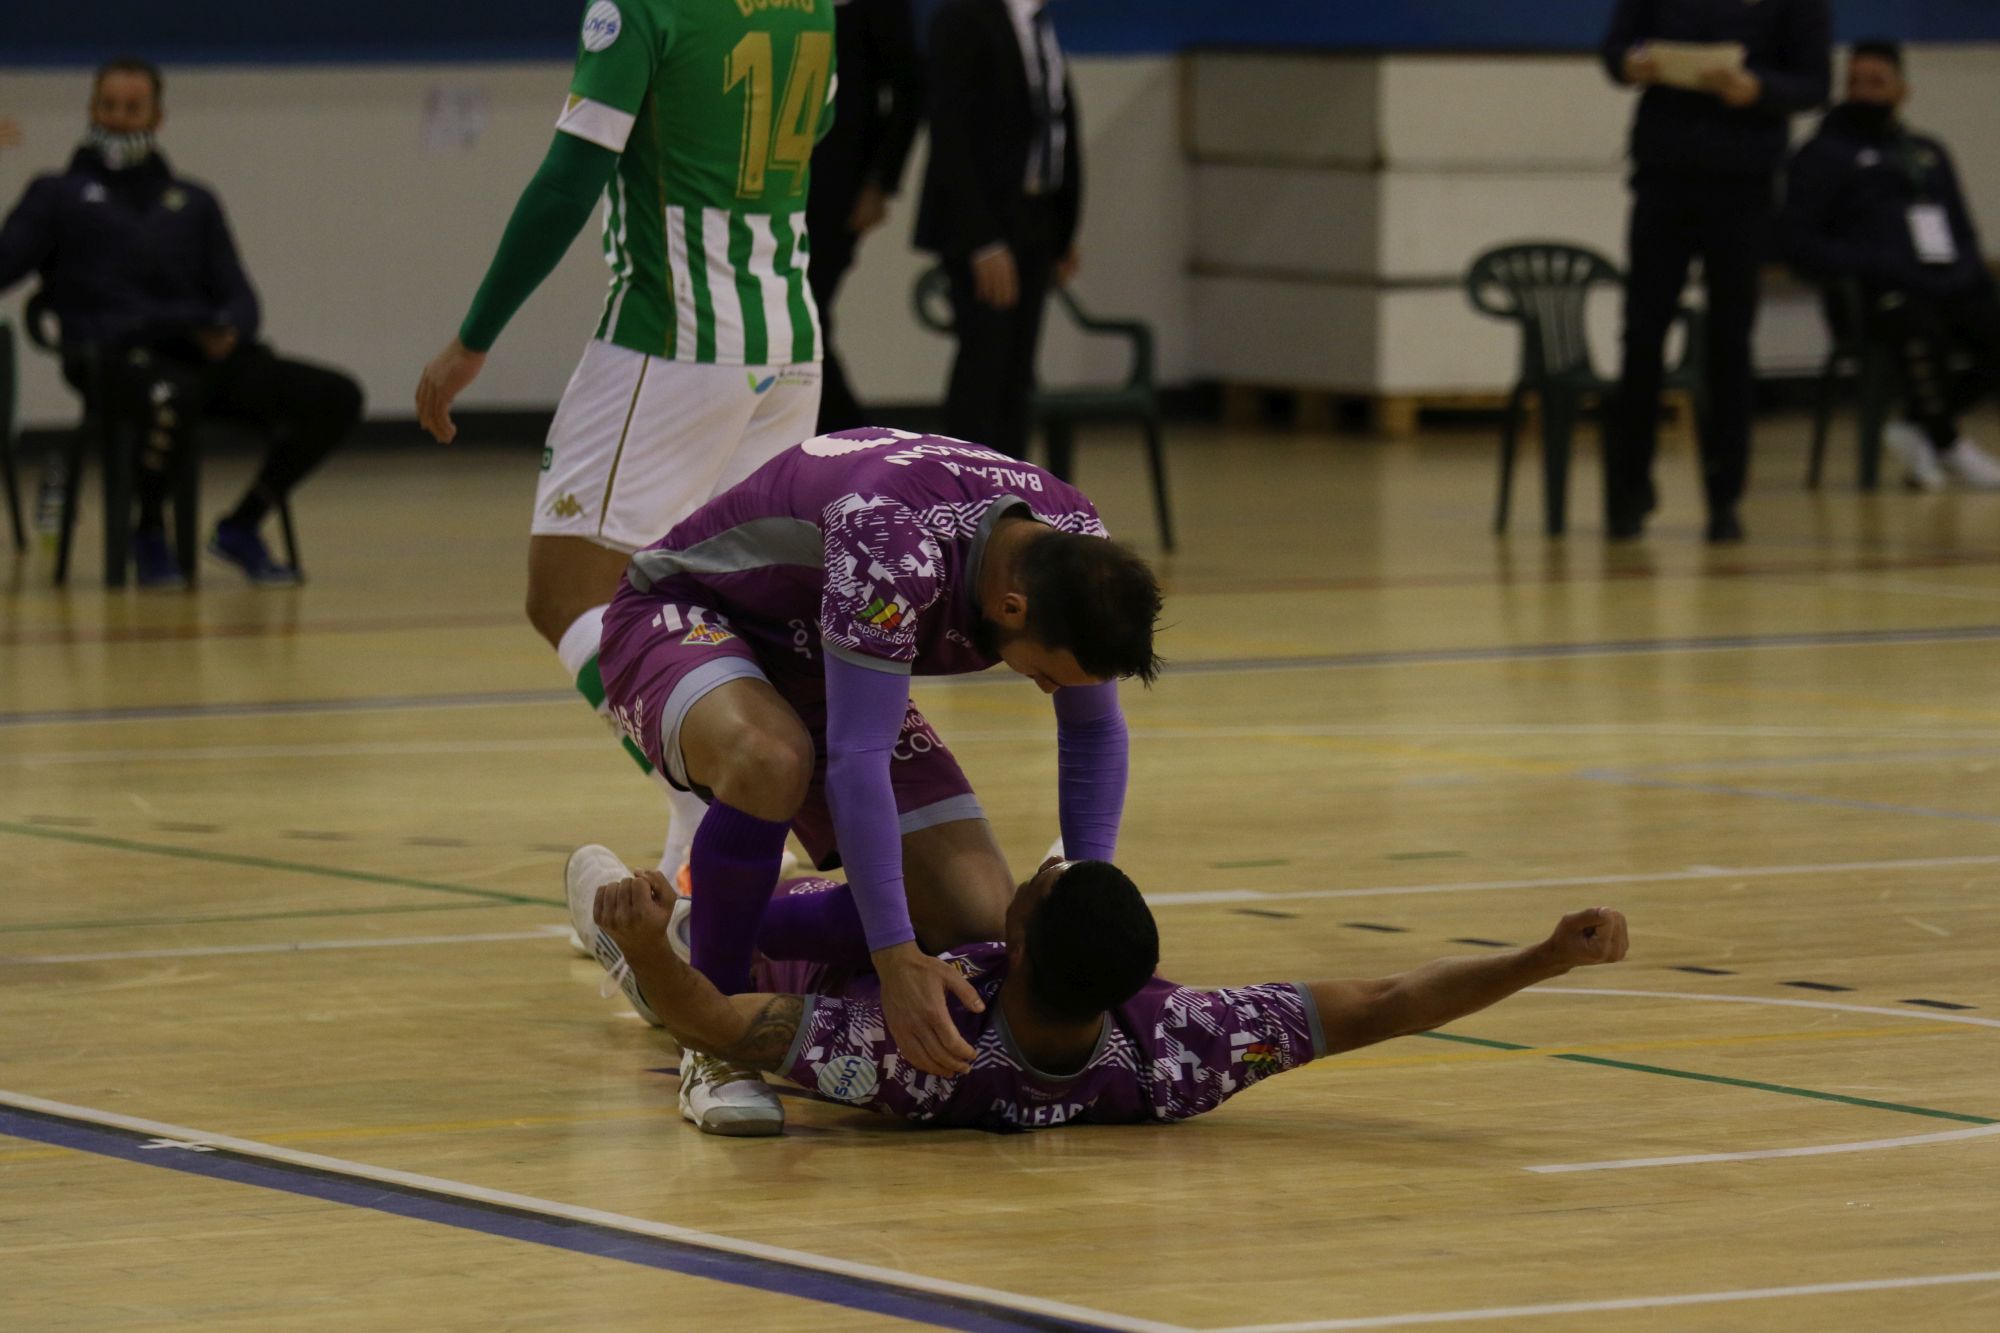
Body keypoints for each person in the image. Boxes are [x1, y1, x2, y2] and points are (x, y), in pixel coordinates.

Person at [590, 426, 1161, 1134]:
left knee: (979, 918)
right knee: (773, 758)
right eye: (1046, 672)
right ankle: (712, 1043)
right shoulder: (892, 540)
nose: (1049, 688)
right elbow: (858, 760)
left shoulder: (1072, 538)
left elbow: (1093, 730)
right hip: (686, 616)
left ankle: (676, 942)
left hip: (836, 658)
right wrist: (895, 956)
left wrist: (1079, 899)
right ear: (1010, 609)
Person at [414, 0, 835, 885]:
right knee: (716, 603)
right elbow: (812, 130)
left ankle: (714, 792)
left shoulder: (642, 7)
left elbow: (571, 177)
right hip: (787, 335)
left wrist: (472, 337)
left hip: (670, 342)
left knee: (566, 593)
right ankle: (698, 864)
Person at [573, 849, 1631, 1133]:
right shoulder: (1175, 1045)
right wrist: (1540, 957)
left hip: (808, 953)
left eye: (1027, 893)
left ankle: (613, 932)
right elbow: (1385, 999)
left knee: (692, 950)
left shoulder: (914, 1047)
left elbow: (710, 1020)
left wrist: (653, 949)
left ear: (1016, 943)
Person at [0, 57, 361, 586]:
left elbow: (240, 294)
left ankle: (242, 525)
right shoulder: (55, 194)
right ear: (91, 110)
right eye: (109, 106)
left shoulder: (193, 200)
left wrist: (230, 328)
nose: (119, 119)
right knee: (172, 393)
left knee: (335, 396)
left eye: (133, 108)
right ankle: (147, 531)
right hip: (112, 359)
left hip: (198, 354)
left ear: (158, 117)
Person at [1600, 0, 1832, 544]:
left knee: (1731, 342)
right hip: (1664, 174)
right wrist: (1629, 65)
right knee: (1641, 335)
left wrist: (1759, 90)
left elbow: (1814, 82)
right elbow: (1616, 48)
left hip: (1743, 181)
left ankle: (1725, 495)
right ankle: (1628, 490)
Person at [1782, 39, 2000, 492]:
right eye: (1855, 83)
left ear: (1902, 91)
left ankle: (1917, 427)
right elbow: (1797, 243)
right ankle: (1948, 442)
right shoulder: (1823, 156)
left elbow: (1962, 230)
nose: (1864, 93)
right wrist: (1876, 263)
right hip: (1870, 295)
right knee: (1916, 322)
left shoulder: (1927, 152)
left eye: (1876, 83)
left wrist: (1962, 271)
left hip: (1941, 283)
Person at [915, 0, 1082, 461]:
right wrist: (982, 240)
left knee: (1017, 372)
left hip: (1035, 219)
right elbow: (950, 135)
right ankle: (966, 495)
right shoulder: (963, 18)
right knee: (984, 365)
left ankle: (1011, 496)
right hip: (986, 224)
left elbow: (1058, 123)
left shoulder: (1037, 21)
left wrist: (1063, 231)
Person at [808, 0, 924, 434]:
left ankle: (853, 440)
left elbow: (911, 87)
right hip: (772, 182)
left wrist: (880, 182)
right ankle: (839, 440)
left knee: (806, 317)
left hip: (835, 189)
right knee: (796, 321)